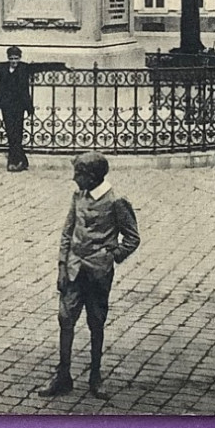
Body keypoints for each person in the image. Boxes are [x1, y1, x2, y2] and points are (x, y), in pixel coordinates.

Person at [40, 151, 141, 401]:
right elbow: (67, 232)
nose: (74, 178)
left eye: (79, 174)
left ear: (93, 177)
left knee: (96, 323)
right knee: (65, 319)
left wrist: (112, 255)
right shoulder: (78, 196)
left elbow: (132, 237)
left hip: (98, 273)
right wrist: (62, 266)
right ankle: (63, 375)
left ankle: (95, 376)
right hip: (74, 270)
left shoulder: (116, 202)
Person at [0, 45, 34, 171]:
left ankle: (14, 161)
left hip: (19, 106)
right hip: (6, 106)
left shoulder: (24, 68)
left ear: (20, 58)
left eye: (16, 58)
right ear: (8, 58)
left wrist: (64, 66)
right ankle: (21, 160)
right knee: (10, 133)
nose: (14, 61)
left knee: (17, 132)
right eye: (11, 59)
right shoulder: (3, 67)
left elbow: (44, 66)